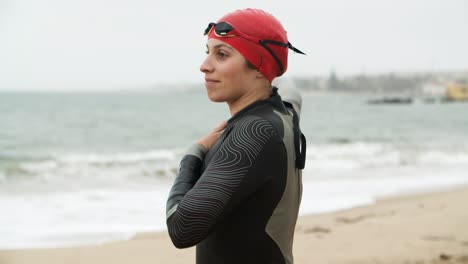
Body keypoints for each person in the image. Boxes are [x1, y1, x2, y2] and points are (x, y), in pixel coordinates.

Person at [166, 8, 306, 264]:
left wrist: (193, 154)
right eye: (207, 52)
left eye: (221, 55)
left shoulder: (254, 132)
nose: (204, 66)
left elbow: (181, 227)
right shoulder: (284, 113)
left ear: (261, 67)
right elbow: (291, 92)